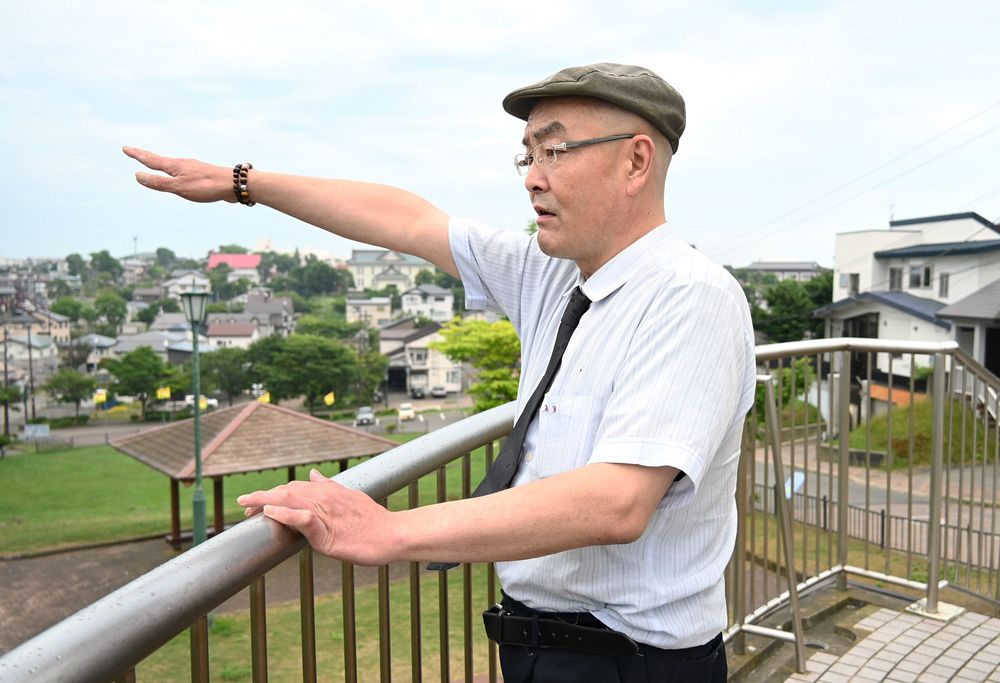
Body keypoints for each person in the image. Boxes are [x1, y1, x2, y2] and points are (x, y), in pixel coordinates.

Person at [125, 62, 755, 683]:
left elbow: (615, 502)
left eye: (555, 150)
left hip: (630, 663)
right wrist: (244, 182)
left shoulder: (689, 296)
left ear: (636, 161)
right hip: (545, 647)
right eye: (527, 156)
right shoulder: (556, 273)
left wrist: (387, 530)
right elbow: (409, 221)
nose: (532, 179)